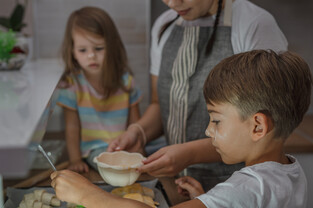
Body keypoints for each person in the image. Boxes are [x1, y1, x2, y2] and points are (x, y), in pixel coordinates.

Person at [51, 50, 312, 208]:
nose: (209, 130)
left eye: (217, 121)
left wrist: (84, 193)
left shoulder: (250, 188)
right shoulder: (288, 171)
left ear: (257, 126)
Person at [107, 0, 288, 190]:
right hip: (178, 185)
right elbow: (160, 104)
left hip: (237, 185)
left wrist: (189, 154)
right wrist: (139, 132)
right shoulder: (164, 25)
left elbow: (268, 128)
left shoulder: (255, 24)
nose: (173, 3)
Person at [57, 7, 142, 173]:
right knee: (111, 166)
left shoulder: (126, 82)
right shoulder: (72, 85)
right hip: (94, 150)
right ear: (72, 51)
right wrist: (75, 160)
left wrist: (138, 150)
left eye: (98, 48)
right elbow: (72, 128)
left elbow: (135, 124)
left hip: (124, 145)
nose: (91, 56)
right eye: (83, 50)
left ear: (111, 47)